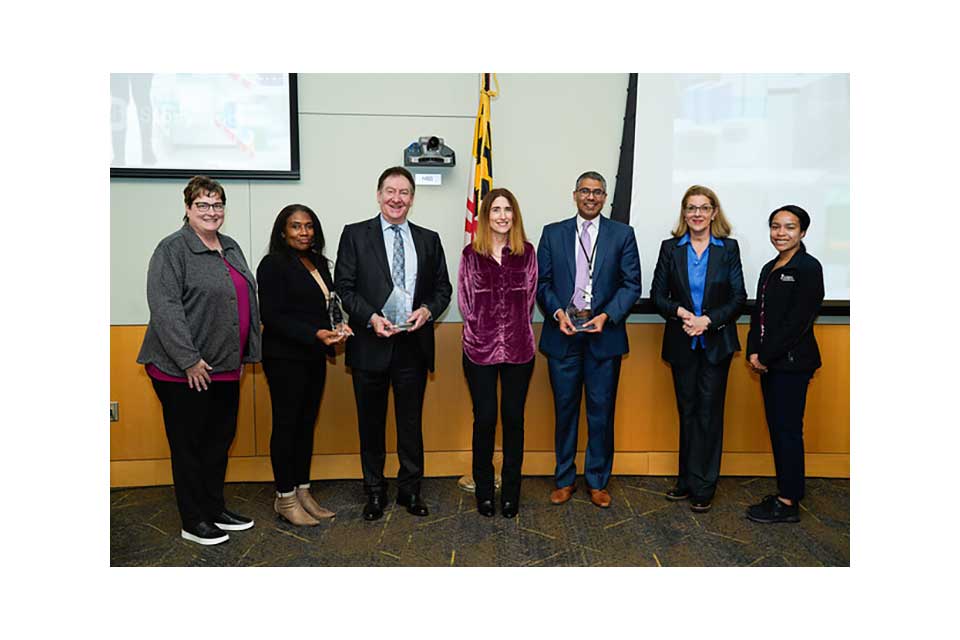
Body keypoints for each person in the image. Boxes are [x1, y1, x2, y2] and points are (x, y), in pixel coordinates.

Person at [137, 175, 261, 545]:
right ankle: (193, 521)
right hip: (182, 371)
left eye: (218, 204)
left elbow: (243, 300)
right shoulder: (172, 249)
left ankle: (213, 508)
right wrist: (189, 359)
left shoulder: (231, 246)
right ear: (188, 208)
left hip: (224, 368)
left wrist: (245, 354)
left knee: (218, 443)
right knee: (189, 447)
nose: (211, 211)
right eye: (203, 205)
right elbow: (165, 307)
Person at [334, 166, 452, 521]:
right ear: (378, 194)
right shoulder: (355, 235)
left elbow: (443, 288)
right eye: (390, 191)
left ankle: (409, 490)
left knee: (410, 425)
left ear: (412, 199)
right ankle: (374, 492)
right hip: (371, 343)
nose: (396, 198)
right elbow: (345, 285)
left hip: (412, 347)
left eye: (403, 192)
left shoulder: (429, 239)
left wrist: (428, 311)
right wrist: (371, 317)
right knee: (370, 425)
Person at [536, 171, 641, 509]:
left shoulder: (622, 234)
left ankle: (597, 481)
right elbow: (543, 284)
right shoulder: (552, 234)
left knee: (600, 413)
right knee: (565, 412)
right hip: (563, 336)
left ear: (605, 197)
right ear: (575, 194)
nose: (591, 197)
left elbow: (632, 285)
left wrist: (607, 316)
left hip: (603, 337)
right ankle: (565, 479)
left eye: (598, 192)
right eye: (585, 191)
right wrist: (557, 314)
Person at [651, 185, 746, 513]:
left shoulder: (728, 249)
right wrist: (681, 314)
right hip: (681, 342)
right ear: (684, 212)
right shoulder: (670, 248)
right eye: (691, 208)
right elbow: (657, 295)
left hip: (715, 343)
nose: (697, 214)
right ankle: (686, 480)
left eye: (704, 208)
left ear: (714, 212)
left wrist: (707, 320)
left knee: (709, 414)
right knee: (687, 411)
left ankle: (705, 485)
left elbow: (738, 298)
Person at [257, 205, 354, 526]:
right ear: (282, 231)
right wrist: (315, 332)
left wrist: (340, 328)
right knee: (287, 427)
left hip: (313, 356)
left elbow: (329, 304)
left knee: (305, 425)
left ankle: (302, 490)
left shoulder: (319, 263)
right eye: (296, 226)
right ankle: (284, 498)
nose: (303, 232)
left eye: (309, 226)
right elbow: (271, 316)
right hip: (285, 358)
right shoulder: (272, 264)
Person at [458, 188, 537, 519]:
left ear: (514, 216)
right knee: (486, 419)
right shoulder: (470, 255)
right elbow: (464, 301)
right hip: (479, 350)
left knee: (514, 420)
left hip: (519, 349)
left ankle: (511, 493)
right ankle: (485, 491)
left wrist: (511, 328)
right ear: (485, 216)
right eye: (496, 210)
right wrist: (484, 331)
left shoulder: (527, 253)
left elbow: (530, 297)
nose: (502, 216)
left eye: (508, 210)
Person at [745, 205, 824, 524]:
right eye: (776, 226)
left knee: (788, 431)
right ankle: (788, 490)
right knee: (779, 429)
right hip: (770, 363)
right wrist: (754, 351)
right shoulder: (769, 266)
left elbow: (798, 322)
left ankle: (788, 502)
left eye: (790, 227)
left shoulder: (808, 267)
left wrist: (766, 356)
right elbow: (758, 315)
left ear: (803, 232)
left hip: (791, 364)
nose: (781, 233)